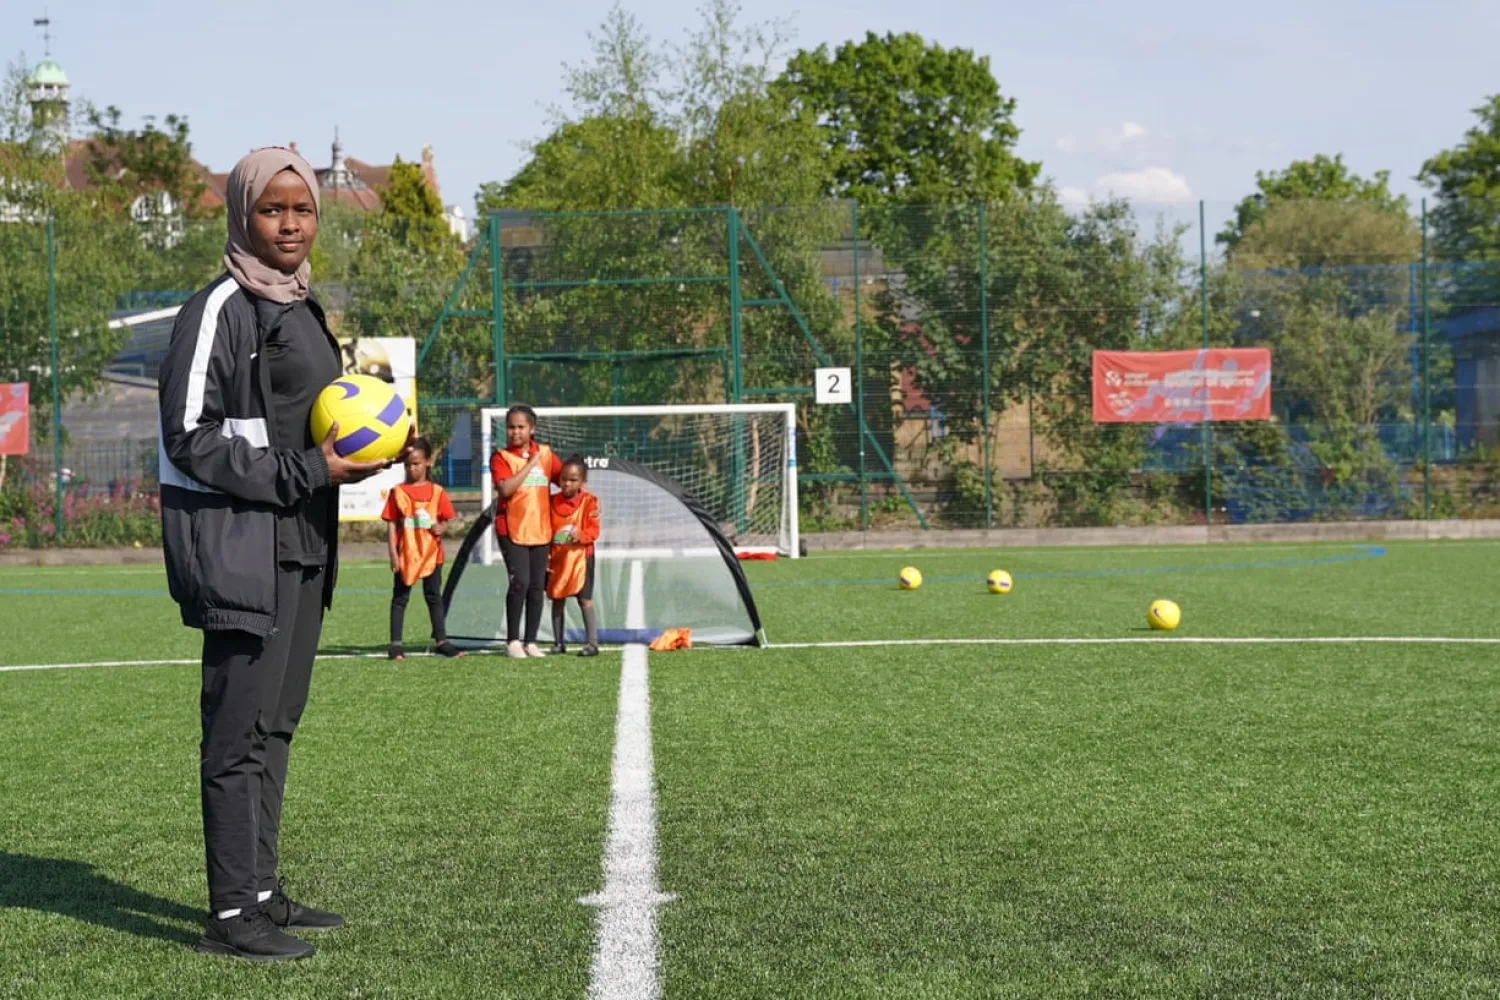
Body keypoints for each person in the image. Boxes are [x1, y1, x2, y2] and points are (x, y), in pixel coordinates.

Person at [158, 147, 394, 963]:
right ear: (242, 215)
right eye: (273, 209)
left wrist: (370, 441)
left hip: (302, 545)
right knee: (234, 737)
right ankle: (230, 916)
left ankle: (261, 891)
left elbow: (310, 418)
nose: (291, 223)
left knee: (276, 725)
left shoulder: (299, 306)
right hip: (239, 550)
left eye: (303, 210)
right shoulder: (218, 307)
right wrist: (305, 469)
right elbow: (188, 438)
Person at [488, 404, 563, 659]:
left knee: (536, 585)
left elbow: (564, 480)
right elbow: (506, 489)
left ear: (532, 429)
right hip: (512, 528)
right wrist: (530, 464)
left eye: (521, 427)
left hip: (540, 528)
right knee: (519, 581)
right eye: (510, 427)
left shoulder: (546, 453)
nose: (515, 432)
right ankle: (513, 641)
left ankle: (531, 641)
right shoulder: (501, 457)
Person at [383, 437, 464, 660]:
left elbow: (446, 519)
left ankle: (442, 640)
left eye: (416, 463)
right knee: (400, 599)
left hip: (431, 555)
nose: (412, 468)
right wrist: (393, 554)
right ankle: (396, 645)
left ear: (428, 462)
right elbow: (391, 524)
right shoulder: (397, 492)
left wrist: (442, 527)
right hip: (406, 555)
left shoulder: (437, 492)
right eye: (408, 464)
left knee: (434, 596)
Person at [546, 454, 602, 657]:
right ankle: (558, 642)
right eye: (563, 479)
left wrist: (581, 535)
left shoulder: (589, 502)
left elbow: (594, 532)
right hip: (558, 558)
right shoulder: (551, 502)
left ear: (582, 482)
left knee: (584, 599)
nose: (567, 484)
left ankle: (592, 643)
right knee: (557, 597)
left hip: (581, 558)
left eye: (573, 480)